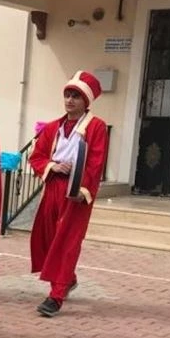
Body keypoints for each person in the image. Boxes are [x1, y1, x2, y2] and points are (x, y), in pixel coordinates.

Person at [29, 70, 108, 318]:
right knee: (49, 238)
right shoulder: (53, 127)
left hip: (77, 189)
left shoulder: (96, 127)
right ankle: (68, 278)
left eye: (76, 96)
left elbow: (95, 162)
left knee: (67, 241)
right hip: (54, 186)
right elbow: (37, 156)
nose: (70, 100)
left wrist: (82, 189)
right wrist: (52, 166)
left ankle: (56, 295)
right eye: (67, 95)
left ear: (86, 101)